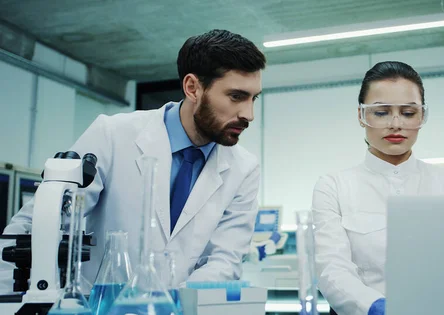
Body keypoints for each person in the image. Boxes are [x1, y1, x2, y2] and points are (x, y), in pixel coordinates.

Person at [2, 29, 266, 287]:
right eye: (236, 97)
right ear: (192, 87)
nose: (249, 114)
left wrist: (171, 306)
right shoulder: (113, 134)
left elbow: (224, 261)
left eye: (254, 98)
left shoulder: (244, 169)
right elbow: (34, 227)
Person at [311, 61, 444, 315]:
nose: (396, 123)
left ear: (422, 116)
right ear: (361, 116)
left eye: (408, 113)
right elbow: (332, 269)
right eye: (381, 112)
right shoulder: (333, 186)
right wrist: (375, 307)